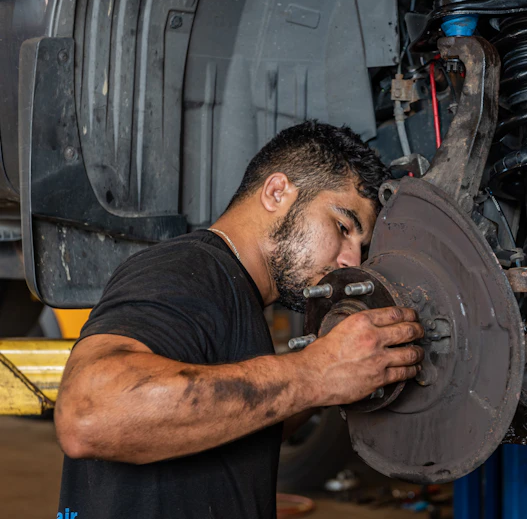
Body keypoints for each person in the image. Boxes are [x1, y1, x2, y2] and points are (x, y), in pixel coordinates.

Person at [54, 121, 425, 519]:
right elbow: (88, 414)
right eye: (342, 226)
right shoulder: (186, 269)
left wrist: (333, 377)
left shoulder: (237, 295)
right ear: (276, 192)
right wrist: (316, 372)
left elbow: (231, 427)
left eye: (360, 245)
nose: (351, 260)